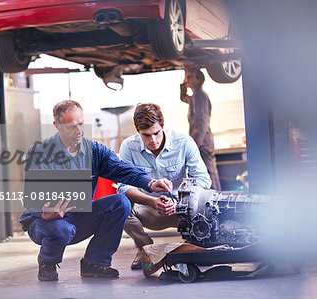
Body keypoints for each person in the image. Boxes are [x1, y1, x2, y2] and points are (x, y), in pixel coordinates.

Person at [18, 100, 172, 281]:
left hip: (79, 216)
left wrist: (150, 183)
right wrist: (44, 212)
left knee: (120, 203)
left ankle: (95, 262)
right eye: (71, 127)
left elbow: (124, 169)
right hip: (45, 223)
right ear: (57, 126)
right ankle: (47, 262)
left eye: (82, 124)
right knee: (61, 230)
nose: (79, 131)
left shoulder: (94, 151)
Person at [117, 103, 211, 269]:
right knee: (119, 204)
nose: (153, 140)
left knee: (210, 204)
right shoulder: (128, 147)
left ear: (162, 126)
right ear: (137, 131)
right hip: (148, 209)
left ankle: (194, 243)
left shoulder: (184, 142)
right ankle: (145, 248)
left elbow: (204, 180)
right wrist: (152, 201)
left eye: (156, 133)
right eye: (146, 135)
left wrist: (179, 203)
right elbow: (123, 187)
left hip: (183, 210)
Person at [180, 67, 221, 190]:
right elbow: (183, 98)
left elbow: (202, 122)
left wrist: (195, 143)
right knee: (207, 171)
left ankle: (215, 198)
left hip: (202, 141)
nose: (187, 79)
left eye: (190, 77)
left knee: (208, 172)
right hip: (202, 140)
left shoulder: (200, 96)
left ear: (198, 80)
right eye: (186, 77)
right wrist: (184, 83)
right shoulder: (195, 96)